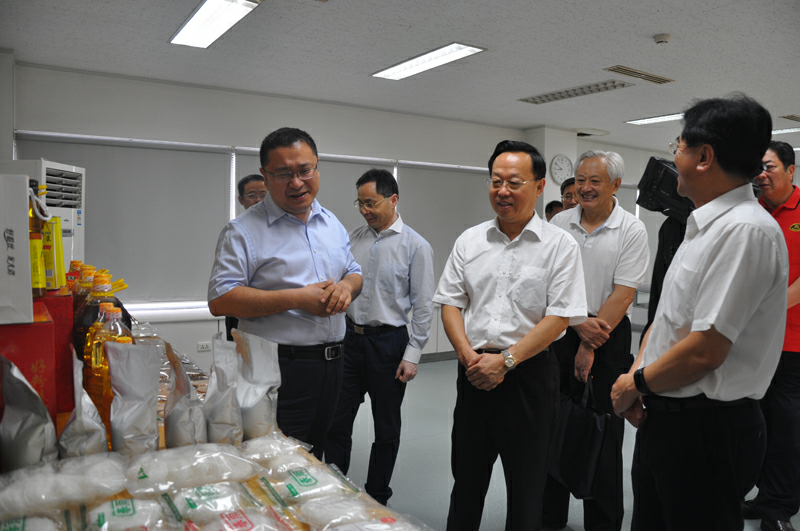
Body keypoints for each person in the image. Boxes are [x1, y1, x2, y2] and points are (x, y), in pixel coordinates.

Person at [611, 94, 788, 530]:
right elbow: (667, 320)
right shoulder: (702, 226)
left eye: (679, 146)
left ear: (705, 157)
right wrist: (639, 378)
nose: (674, 156)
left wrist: (634, 383)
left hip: (708, 430)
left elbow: (705, 350)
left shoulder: (745, 231)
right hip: (668, 418)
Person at [434, 140, 587, 530]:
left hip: (529, 377)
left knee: (527, 489)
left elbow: (560, 317)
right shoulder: (470, 241)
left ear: (539, 187)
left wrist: (506, 361)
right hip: (473, 371)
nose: (502, 191)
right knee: (466, 482)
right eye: (495, 181)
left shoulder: (560, 246)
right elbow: (450, 302)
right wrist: (467, 355)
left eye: (514, 183)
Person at [207, 127, 362, 459]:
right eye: (283, 174)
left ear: (317, 167)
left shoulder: (330, 222)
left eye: (305, 170)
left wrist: (346, 287)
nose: (297, 182)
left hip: (334, 365)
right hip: (278, 369)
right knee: (275, 461)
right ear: (265, 175)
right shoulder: (243, 231)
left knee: (317, 457)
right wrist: (297, 298)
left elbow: (354, 271)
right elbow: (220, 299)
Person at [544, 150, 649, 530]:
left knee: (604, 431)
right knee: (553, 424)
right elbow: (549, 283)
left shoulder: (631, 229)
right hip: (561, 329)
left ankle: (602, 523)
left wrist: (588, 345)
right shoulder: (560, 222)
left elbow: (624, 293)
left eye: (595, 181)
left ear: (615, 185)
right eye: (580, 180)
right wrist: (576, 326)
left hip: (608, 335)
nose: (584, 188)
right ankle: (549, 517)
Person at [324, 168, 435, 505]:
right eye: (360, 203)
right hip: (349, 340)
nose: (364, 210)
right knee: (336, 422)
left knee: (386, 428)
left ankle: (376, 497)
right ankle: (336, 491)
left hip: (389, 344)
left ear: (393, 199)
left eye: (370, 203)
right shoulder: (353, 238)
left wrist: (412, 355)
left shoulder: (416, 246)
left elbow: (424, 306)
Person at [744, 140, 799, 531]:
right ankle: (765, 497)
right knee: (757, 424)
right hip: (753, 342)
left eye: (770, 167)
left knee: (786, 429)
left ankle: (779, 508)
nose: (761, 175)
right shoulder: (752, 212)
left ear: (791, 170)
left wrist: (768, 309)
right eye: (757, 168)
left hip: (793, 342)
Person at [225, 174, 268, 341]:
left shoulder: (282, 227)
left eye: (263, 194)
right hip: (240, 308)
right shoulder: (235, 231)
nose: (258, 200)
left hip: (271, 314)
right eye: (252, 195)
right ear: (241, 200)